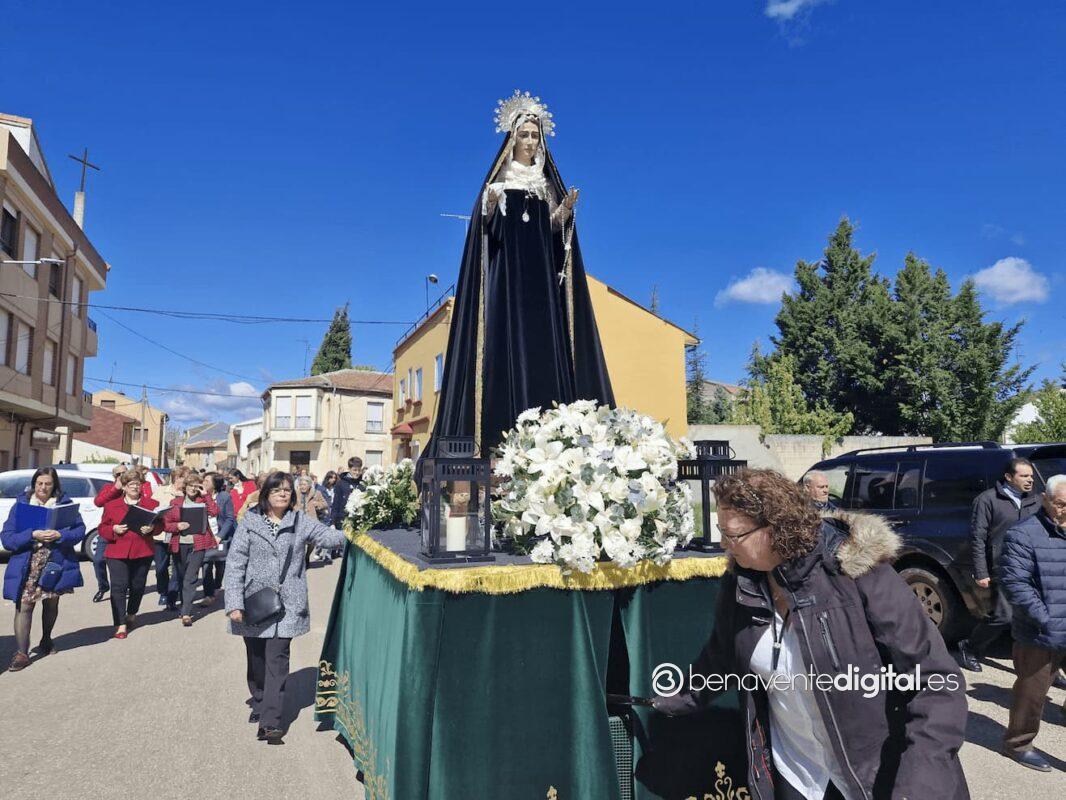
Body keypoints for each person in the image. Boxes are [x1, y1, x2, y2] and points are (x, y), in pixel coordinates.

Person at [653, 468, 969, 800]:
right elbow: (719, 655)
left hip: (878, 778)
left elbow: (937, 680)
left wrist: (919, 781)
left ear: (775, 529)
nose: (724, 545)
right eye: (721, 532)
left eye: (734, 535)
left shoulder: (858, 574)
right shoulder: (743, 583)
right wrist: (673, 698)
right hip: (798, 776)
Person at [425, 90, 614, 460]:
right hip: (508, 281)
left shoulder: (545, 185)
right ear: (512, 138)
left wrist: (565, 212)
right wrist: (491, 204)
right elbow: (486, 232)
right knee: (507, 347)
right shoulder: (499, 180)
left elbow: (552, 237)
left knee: (547, 346)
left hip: (542, 287)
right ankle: (499, 445)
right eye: (524, 134)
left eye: (535, 135)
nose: (530, 141)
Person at [224, 471, 346, 744]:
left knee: (277, 661)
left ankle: (270, 722)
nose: (283, 493)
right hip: (253, 602)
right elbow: (234, 565)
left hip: (287, 604)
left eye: (287, 490)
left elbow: (330, 538)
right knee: (256, 661)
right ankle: (259, 699)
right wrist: (234, 603)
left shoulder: (300, 521)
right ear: (265, 494)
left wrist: (361, 529)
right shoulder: (249, 523)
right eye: (277, 489)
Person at [997, 473, 1066, 773]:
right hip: (1041, 631)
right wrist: (1046, 619)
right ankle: (1019, 744)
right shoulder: (1023, 534)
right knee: (1032, 692)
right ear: (1045, 499)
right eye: (1062, 504)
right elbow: (1016, 584)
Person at [957, 457, 1041, 672]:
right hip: (1003, 567)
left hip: (1033, 569)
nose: (1030, 480)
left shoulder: (1036, 500)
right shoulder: (987, 500)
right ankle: (970, 647)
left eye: (1031, 476)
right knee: (1004, 617)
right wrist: (981, 571)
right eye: (1024, 476)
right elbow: (978, 538)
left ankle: (1044, 667)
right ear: (1008, 477)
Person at [1, 469, 87, 672]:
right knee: (24, 606)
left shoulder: (65, 504)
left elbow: (79, 531)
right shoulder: (21, 506)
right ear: (34, 484)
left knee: (51, 603)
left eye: (47, 483)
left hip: (55, 562)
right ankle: (22, 653)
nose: (43, 487)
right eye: (39, 483)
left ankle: (46, 639)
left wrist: (60, 534)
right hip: (27, 564)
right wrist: (32, 534)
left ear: (54, 485)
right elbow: (7, 538)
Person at [98, 470, 171, 639]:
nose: (135, 487)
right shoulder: (111, 505)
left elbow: (161, 525)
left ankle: (132, 612)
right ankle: (120, 624)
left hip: (142, 550)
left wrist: (153, 528)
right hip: (117, 551)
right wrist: (113, 529)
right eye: (131, 484)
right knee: (118, 586)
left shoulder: (151, 504)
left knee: (138, 586)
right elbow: (102, 528)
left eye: (138, 484)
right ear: (123, 487)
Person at [164, 473, 219, 626]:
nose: (193, 489)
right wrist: (177, 526)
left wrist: (206, 495)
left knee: (191, 576)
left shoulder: (203, 500)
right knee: (181, 576)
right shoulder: (175, 502)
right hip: (179, 543)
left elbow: (214, 512)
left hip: (198, 544)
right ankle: (184, 604)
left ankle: (186, 613)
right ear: (185, 487)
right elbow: (166, 524)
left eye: (196, 486)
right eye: (190, 486)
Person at [150, 466, 189, 610]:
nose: (183, 481)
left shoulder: (187, 494)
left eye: (185, 478)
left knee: (177, 567)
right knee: (160, 567)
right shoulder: (161, 491)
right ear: (175, 477)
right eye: (181, 477)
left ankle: (171, 596)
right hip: (160, 534)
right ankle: (163, 591)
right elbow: (151, 508)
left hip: (179, 535)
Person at [89, 464, 128, 603]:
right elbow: (98, 502)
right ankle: (103, 586)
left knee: (123, 563)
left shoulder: (132, 489)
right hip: (109, 531)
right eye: (119, 474)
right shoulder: (108, 488)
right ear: (114, 477)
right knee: (98, 560)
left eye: (125, 473)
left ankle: (123, 587)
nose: (122, 476)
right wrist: (115, 489)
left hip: (125, 531)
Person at [201, 472, 236, 604]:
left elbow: (229, 518)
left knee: (220, 564)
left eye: (207, 481)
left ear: (215, 483)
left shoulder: (224, 496)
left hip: (221, 535)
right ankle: (208, 595)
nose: (204, 483)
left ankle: (217, 586)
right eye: (203, 480)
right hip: (206, 536)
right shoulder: (200, 496)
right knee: (206, 565)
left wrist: (220, 536)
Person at [330, 457, 364, 528]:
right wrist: (332, 522)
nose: (357, 473)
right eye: (354, 470)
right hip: (342, 521)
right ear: (349, 469)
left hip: (358, 523)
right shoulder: (341, 483)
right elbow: (336, 503)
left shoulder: (362, 484)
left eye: (359, 470)